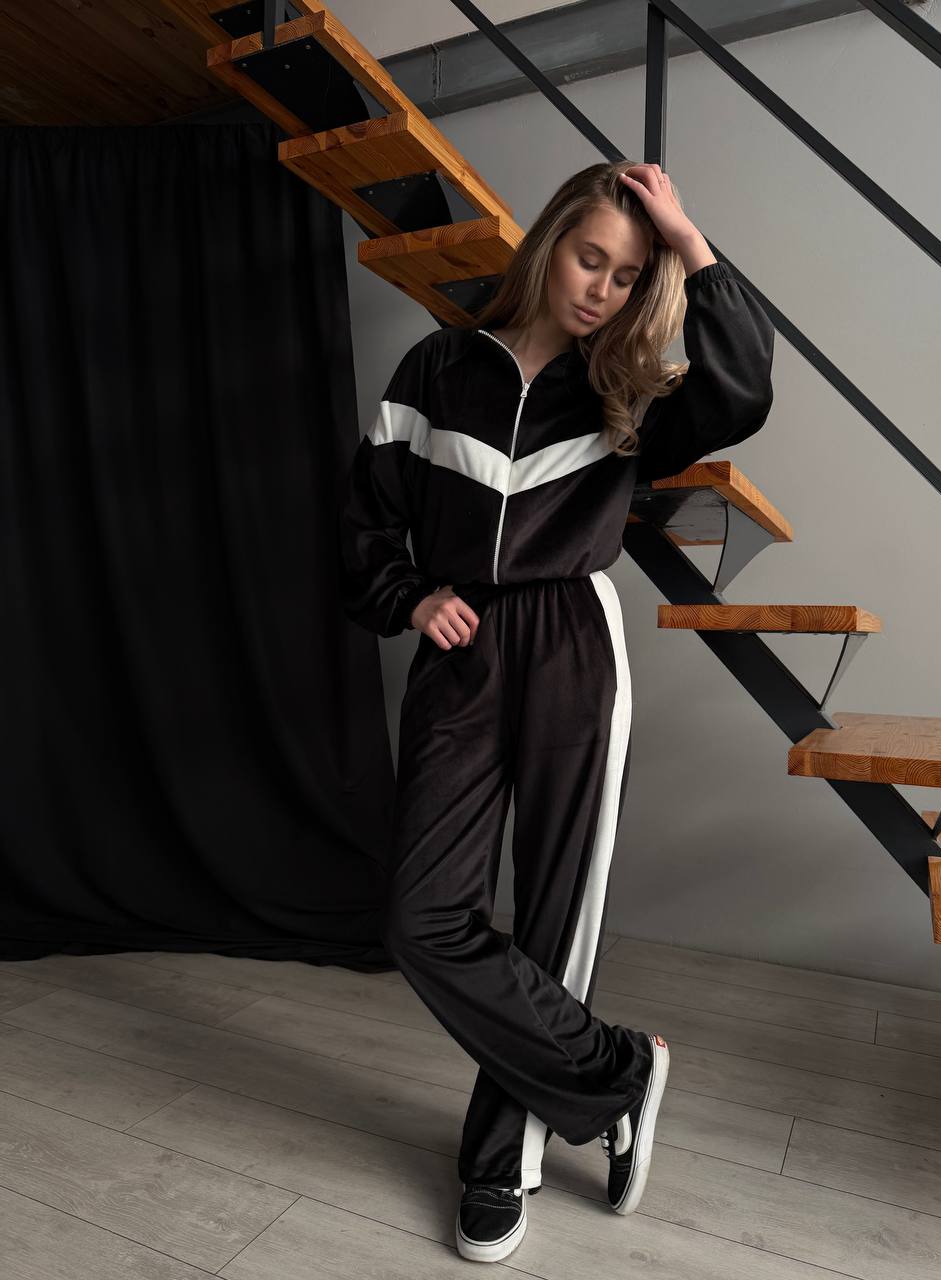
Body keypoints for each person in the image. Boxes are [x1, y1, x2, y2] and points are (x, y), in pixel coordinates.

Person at [337, 159, 775, 1263]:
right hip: (459, 648)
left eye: (627, 277)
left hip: (574, 642)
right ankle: (618, 1071)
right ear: (546, 246)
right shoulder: (436, 369)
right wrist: (410, 596)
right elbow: (365, 520)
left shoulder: (625, 392)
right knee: (421, 917)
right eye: (591, 260)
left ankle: (499, 1162)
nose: (602, 289)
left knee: (555, 919)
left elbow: (742, 389)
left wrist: (688, 240)